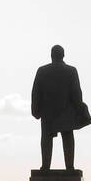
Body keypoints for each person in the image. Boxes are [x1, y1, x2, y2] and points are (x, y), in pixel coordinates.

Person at [31, 44, 84, 172]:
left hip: (47, 112)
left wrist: (35, 110)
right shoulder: (71, 71)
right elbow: (76, 92)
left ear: (51, 55)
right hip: (66, 111)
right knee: (67, 138)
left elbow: (35, 92)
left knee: (46, 139)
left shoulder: (42, 71)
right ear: (63, 55)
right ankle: (70, 167)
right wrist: (79, 109)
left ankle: (45, 166)